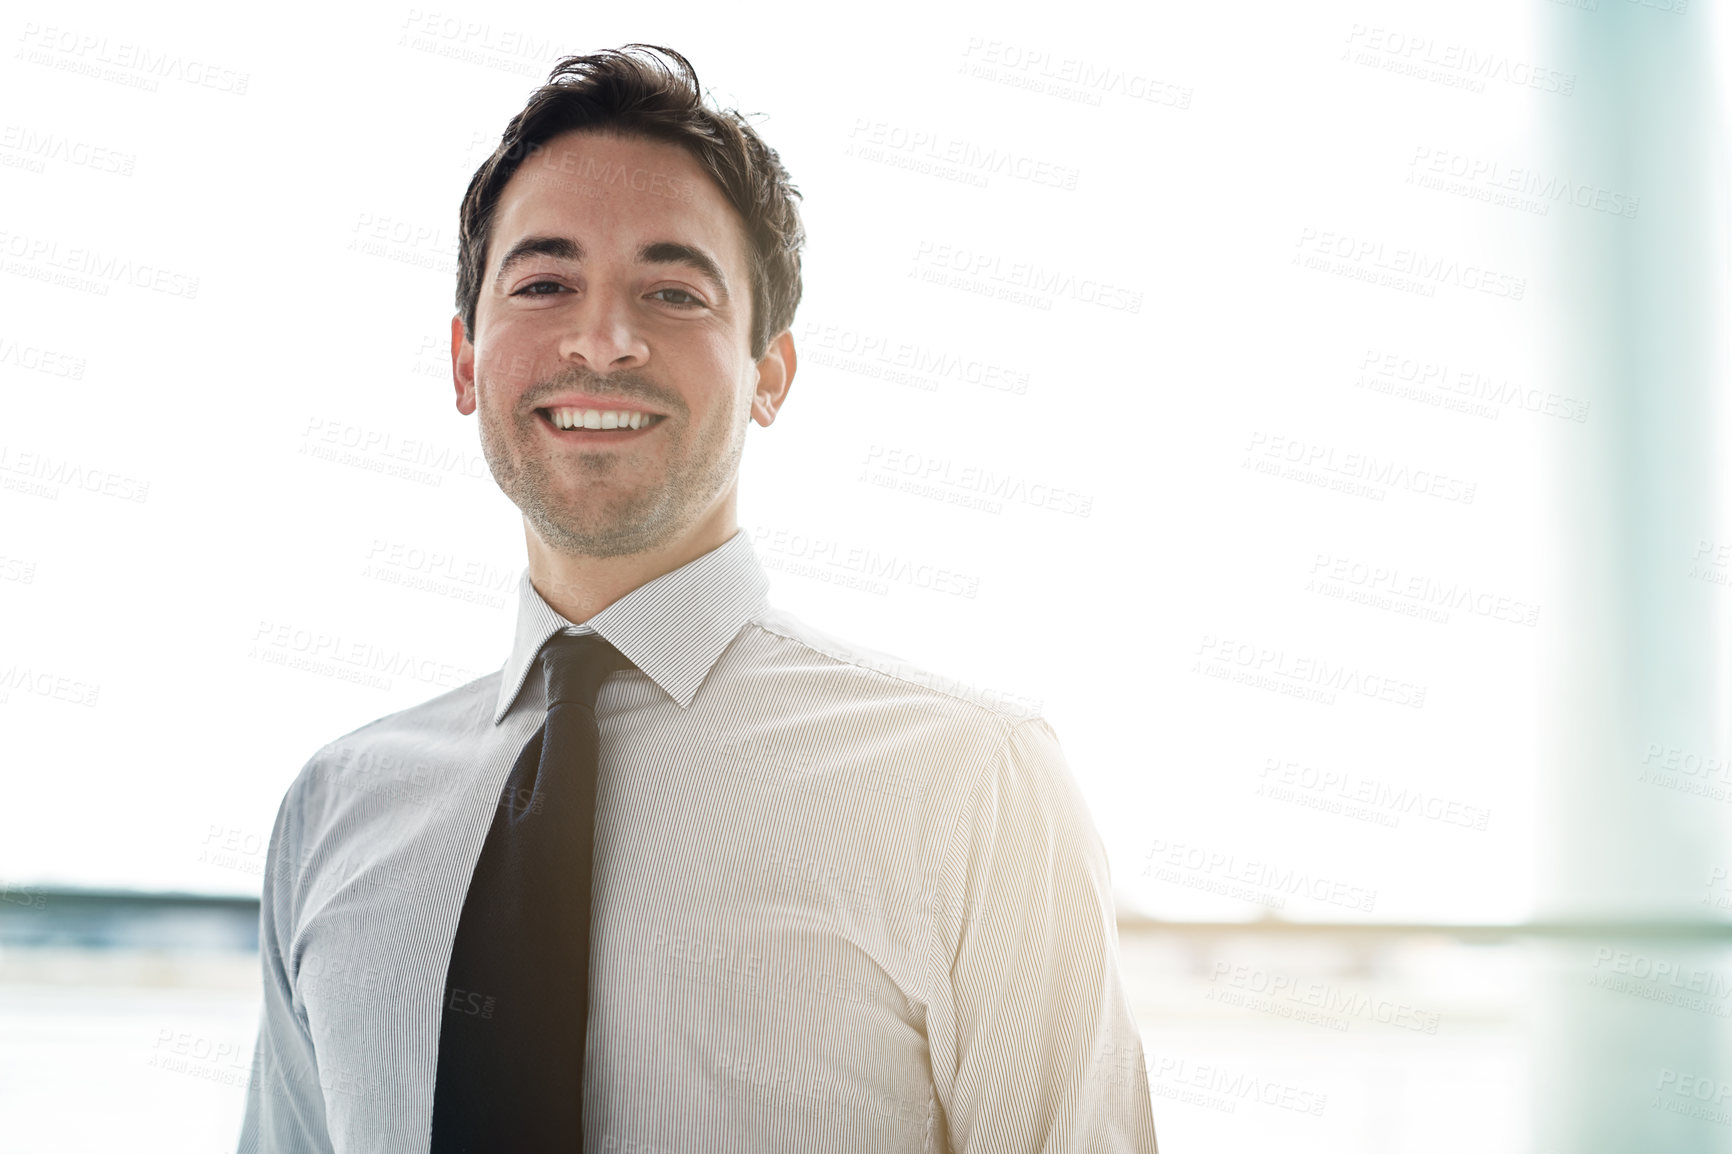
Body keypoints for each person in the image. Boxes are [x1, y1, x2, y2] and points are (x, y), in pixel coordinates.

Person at [238, 43, 1157, 1153]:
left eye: (673, 292)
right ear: (466, 359)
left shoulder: (971, 785)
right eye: (543, 284)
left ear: (770, 371)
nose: (602, 339)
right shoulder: (336, 809)